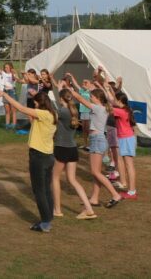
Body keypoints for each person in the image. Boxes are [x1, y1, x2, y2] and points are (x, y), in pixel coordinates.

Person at [0, 87, 57, 231]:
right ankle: (49, 217)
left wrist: (4, 94)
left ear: (40, 103)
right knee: (46, 189)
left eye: (36, 102)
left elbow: (20, 108)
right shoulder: (52, 114)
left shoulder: (43, 114)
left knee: (39, 190)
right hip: (49, 155)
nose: (35, 105)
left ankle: (45, 222)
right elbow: (35, 124)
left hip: (39, 156)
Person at [65, 76, 122, 209]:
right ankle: (94, 198)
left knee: (96, 172)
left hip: (97, 140)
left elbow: (80, 99)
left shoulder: (97, 108)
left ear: (97, 98)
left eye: (92, 96)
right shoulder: (102, 108)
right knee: (95, 171)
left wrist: (69, 89)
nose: (90, 98)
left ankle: (115, 195)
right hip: (99, 140)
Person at [51, 85, 98, 220]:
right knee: (72, 180)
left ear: (61, 99)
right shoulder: (73, 111)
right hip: (72, 149)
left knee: (54, 178)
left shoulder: (62, 112)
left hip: (61, 148)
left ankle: (58, 210)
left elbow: (51, 113)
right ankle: (89, 209)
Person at [110, 89, 138, 200]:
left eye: (115, 100)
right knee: (128, 165)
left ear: (119, 101)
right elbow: (111, 101)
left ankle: (132, 191)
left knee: (129, 165)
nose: (113, 101)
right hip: (126, 138)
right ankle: (131, 190)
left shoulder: (121, 111)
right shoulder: (124, 109)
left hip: (126, 139)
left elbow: (107, 107)